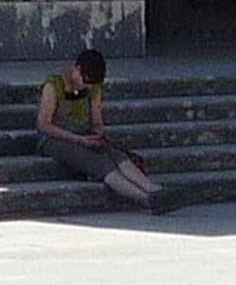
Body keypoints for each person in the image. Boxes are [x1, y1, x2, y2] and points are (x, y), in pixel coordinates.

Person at [35, 47, 164, 210]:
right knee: (100, 165)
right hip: (55, 139)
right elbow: (44, 124)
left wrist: (97, 134)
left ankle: (156, 190)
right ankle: (147, 199)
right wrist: (79, 140)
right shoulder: (53, 86)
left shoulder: (92, 88)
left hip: (85, 135)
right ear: (77, 69)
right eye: (86, 81)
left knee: (117, 156)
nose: (88, 86)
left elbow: (97, 120)